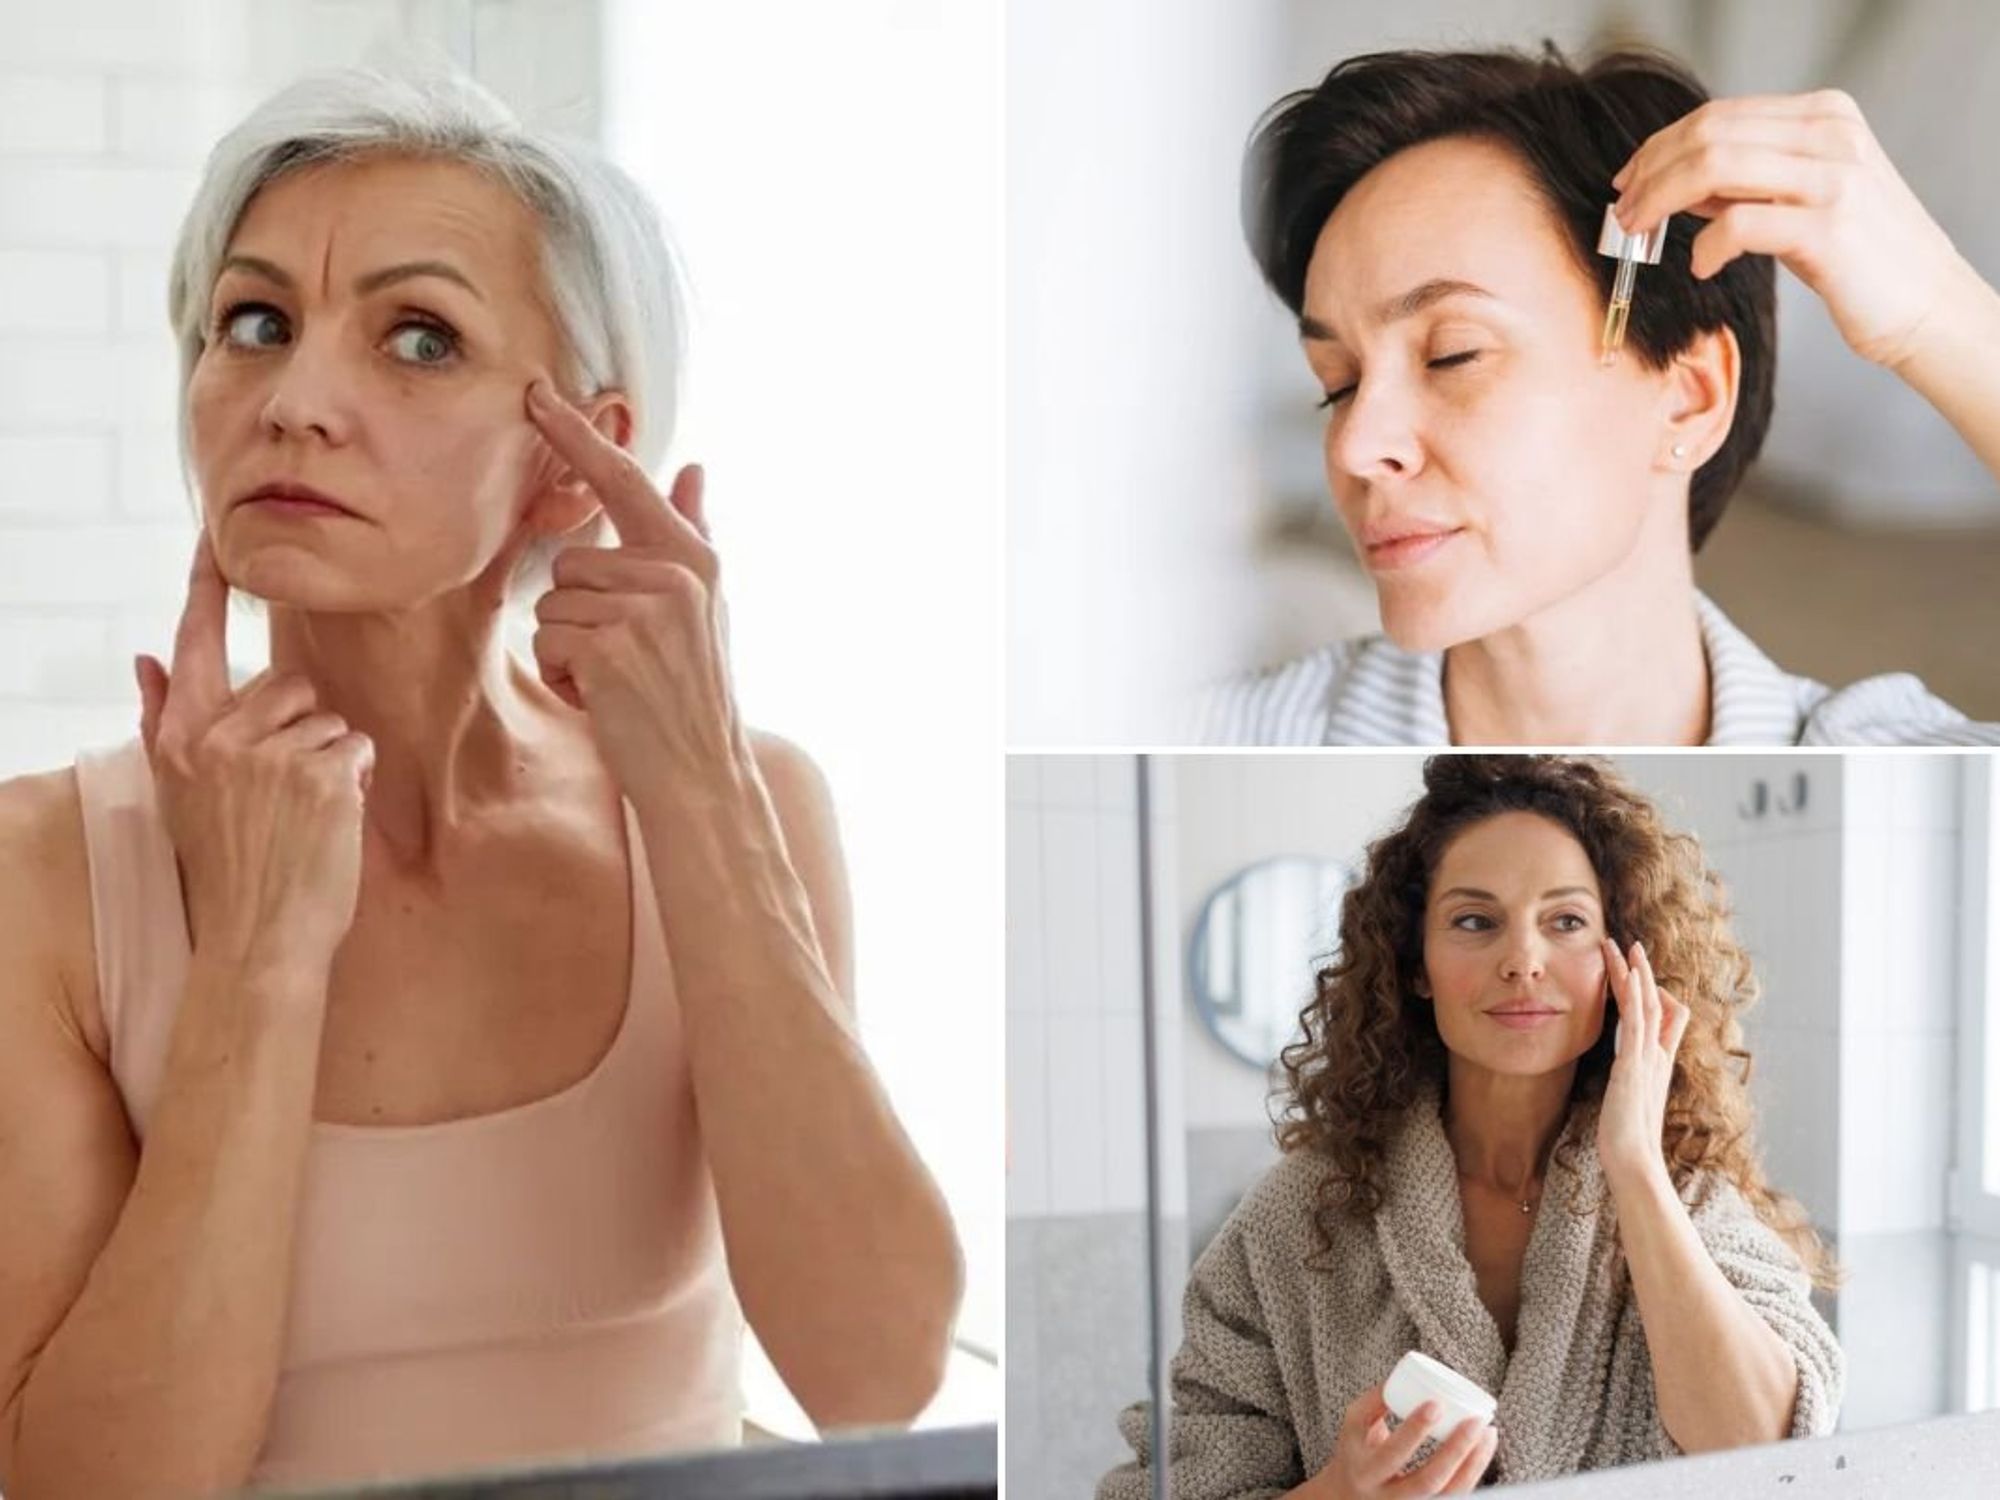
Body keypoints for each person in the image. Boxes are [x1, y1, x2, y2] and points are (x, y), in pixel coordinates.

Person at [0, 59, 962, 1497]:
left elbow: (877, 1372)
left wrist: (698, 792)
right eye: (254, 323)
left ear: (583, 458)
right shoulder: (43, 874)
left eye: (420, 339)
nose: (296, 400)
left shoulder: (748, 803)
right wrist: (258, 963)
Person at [1198, 42, 2000, 747]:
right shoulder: (1196, 736)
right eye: (1336, 385)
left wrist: (1944, 319)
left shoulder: (1889, 762)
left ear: (1689, 398)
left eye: (1452, 354)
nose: (1353, 445)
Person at [1099, 755, 1844, 1496]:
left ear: (1626, 967)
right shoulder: (1299, 1220)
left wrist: (1636, 1167)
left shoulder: (1691, 1206)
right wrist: (1337, 1494)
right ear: (1415, 962)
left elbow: (1770, 1448)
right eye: (1475, 921)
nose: (1523, 959)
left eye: (1567, 921)